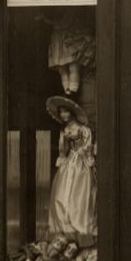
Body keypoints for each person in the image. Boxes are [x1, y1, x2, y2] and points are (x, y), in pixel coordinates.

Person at [46, 96, 98, 245]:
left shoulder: (83, 129)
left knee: (79, 199)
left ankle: (80, 233)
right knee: (60, 197)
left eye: (65, 111)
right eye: (61, 112)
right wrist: (64, 151)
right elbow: (63, 151)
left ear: (72, 112)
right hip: (68, 164)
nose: (63, 115)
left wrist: (82, 153)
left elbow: (87, 148)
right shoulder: (64, 130)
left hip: (81, 166)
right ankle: (63, 232)